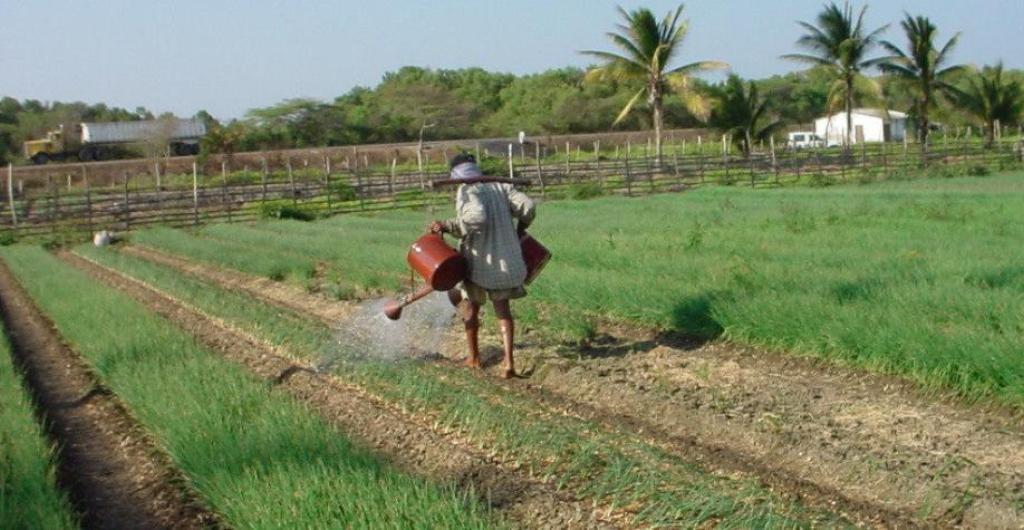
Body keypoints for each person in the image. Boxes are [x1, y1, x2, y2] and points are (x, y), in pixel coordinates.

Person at [430, 153, 535, 378]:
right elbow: (528, 207)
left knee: (470, 307)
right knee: (503, 310)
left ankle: (474, 358)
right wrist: (520, 229)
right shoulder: (501, 187)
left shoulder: (467, 190)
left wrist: (448, 225)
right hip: (507, 261)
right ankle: (508, 363)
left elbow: (477, 217)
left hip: (479, 262)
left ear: (456, 176)